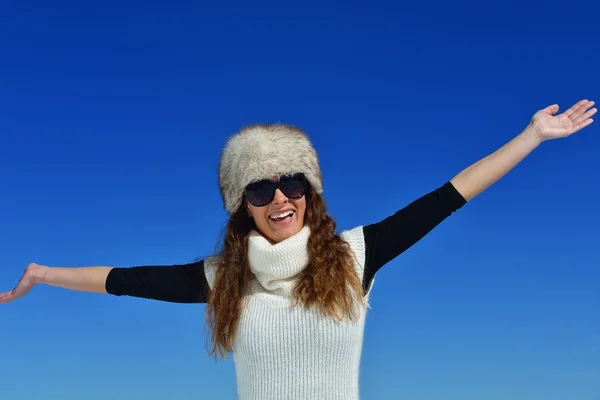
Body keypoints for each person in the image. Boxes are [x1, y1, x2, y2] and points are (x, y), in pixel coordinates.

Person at [1, 99, 596, 399]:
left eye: (294, 184)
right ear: (242, 205)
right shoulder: (224, 278)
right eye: (261, 189)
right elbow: (123, 279)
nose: (280, 199)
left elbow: (447, 197)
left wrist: (532, 137)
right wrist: (43, 273)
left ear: (311, 193)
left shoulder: (355, 255)